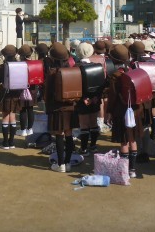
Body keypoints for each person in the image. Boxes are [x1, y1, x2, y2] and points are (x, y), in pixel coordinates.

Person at [107, 44, 143, 179]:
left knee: (124, 141)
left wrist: (109, 112)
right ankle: (132, 170)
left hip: (121, 112)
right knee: (132, 139)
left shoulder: (115, 76)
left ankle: (124, 170)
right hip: (135, 111)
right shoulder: (134, 71)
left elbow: (112, 97)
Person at [43, 42, 75, 172]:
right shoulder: (73, 71)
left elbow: (47, 94)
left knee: (59, 134)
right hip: (71, 107)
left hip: (57, 108)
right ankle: (68, 162)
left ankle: (60, 164)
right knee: (69, 133)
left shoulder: (52, 73)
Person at [0, 45, 22, 149]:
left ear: (5, 55)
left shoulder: (2, 67)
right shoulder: (20, 66)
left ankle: (5, 142)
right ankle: (12, 142)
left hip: (5, 93)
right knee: (12, 116)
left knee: (5, 116)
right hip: (16, 94)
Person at [75, 42, 102, 154]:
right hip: (95, 99)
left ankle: (84, 148)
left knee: (84, 124)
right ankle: (93, 146)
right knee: (93, 122)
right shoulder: (97, 66)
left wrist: (83, 98)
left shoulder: (76, 68)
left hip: (82, 100)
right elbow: (101, 84)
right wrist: (96, 97)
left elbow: (75, 85)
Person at [17, 44, 37, 136]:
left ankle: (23, 130)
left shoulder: (19, 65)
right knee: (30, 109)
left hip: (21, 89)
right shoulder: (35, 64)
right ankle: (30, 129)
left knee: (22, 110)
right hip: (32, 89)